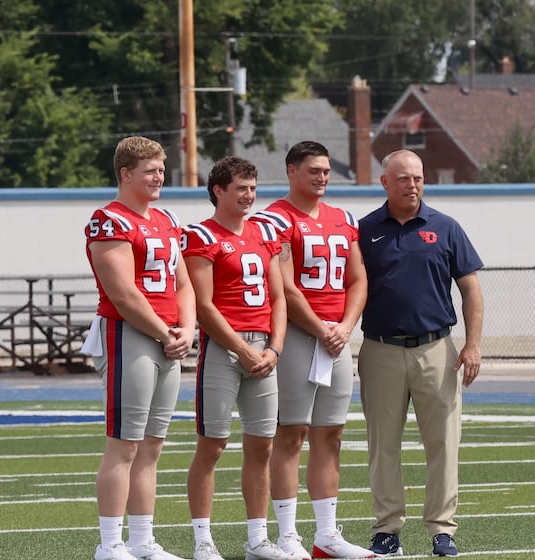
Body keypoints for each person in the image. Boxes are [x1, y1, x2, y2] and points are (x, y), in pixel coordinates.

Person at [357, 149, 484, 558]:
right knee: (383, 445)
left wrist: (473, 344)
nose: (412, 185)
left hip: (437, 349)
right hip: (379, 350)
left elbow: (471, 290)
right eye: (403, 178)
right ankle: (387, 529)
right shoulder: (363, 231)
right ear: (385, 182)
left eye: (418, 178)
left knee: (444, 443)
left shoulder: (446, 227)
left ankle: (443, 530)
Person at [251, 141, 373, 560]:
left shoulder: (343, 218)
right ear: (291, 171)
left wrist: (344, 326)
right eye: (313, 171)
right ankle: (287, 534)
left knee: (332, 434)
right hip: (301, 337)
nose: (322, 177)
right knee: (291, 434)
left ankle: (326, 534)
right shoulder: (274, 219)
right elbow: (285, 286)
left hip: (336, 338)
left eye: (325, 171)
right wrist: (321, 328)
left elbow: (358, 280)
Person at [81, 136, 196, 560]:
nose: (159, 176)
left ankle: (143, 541)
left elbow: (182, 282)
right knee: (125, 444)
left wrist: (187, 327)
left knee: (152, 445)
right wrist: (167, 334)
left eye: (162, 169)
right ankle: (109, 545)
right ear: (126, 173)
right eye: (150, 170)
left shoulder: (165, 218)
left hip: (168, 338)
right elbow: (124, 294)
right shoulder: (108, 220)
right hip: (130, 334)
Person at [181, 156, 292, 560]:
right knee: (213, 445)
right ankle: (203, 540)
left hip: (264, 347)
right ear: (218, 191)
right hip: (224, 349)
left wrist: (274, 348)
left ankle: (258, 540)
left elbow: (279, 297)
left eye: (252, 187)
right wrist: (243, 349)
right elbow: (204, 306)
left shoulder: (265, 233)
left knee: (262, 446)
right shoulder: (200, 236)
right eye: (241, 188)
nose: (249, 195)